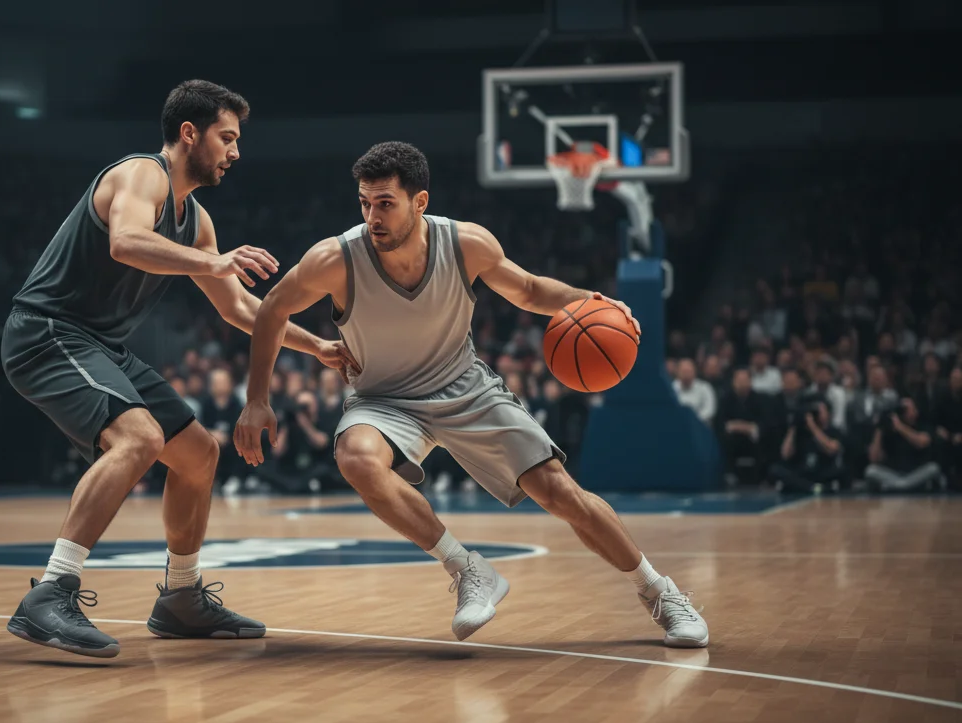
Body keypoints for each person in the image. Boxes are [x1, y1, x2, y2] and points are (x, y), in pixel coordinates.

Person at [234, 141, 707, 648]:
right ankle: (468, 569)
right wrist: (257, 398)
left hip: (465, 388)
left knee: (559, 492)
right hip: (383, 399)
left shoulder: (465, 244)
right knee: (356, 457)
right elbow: (271, 309)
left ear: (420, 202)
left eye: (386, 203)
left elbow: (526, 289)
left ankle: (660, 592)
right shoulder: (336, 258)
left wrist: (589, 300)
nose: (373, 216)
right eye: (365, 203)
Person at [0, 80, 356, 657]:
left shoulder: (197, 219)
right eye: (227, 137)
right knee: (137, 439)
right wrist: (215, 261)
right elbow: (126, 241)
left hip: (101, 345)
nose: (235, 151)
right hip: (47, 332)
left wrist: (316, 345)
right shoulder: (142, 175)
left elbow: (239, 307)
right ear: (189, 133)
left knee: (198, 454)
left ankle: (181, 597)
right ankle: (51, 591)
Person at [866, 397, 945, 492]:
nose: (903, 411)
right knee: (870, 471)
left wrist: (900, 427)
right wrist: (879, 428)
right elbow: (874, 458)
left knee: (933, 468)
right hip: (893, 474)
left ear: (916, 411)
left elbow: (922, 442)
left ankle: (898, 486)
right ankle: (903, 486)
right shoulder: (889, 429)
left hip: (916, 473)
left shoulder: (923, 426)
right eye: (901, 409)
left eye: (907, 409)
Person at [769, 398, 846, 493]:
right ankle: (813, 487)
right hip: (802, 471)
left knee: (842, 471)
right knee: (776, 470)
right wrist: (793, 427)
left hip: (822, 470)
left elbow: (832, 449)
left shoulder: (834, 431)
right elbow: (785, 454)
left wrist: (813, 427)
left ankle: (801, 486)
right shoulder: (801, 432)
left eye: (820, 411)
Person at [715, 368, 767, 487]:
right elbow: (721, 422)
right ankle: (728, 474)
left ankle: (761, 476)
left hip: (752, 437)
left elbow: (763, 422)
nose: (742, 383)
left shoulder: (759, 399)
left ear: (750, 381)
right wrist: (736, 427)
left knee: (765, 438)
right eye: (739, 380)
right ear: (733, 382)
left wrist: (744, 427)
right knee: (725, 440)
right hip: (732, 437)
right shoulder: (725, 399)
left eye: (745, 380)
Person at [672, 358, 716, 426]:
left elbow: (709, 410)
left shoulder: (705, 387)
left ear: (695, 372)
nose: (686, 375)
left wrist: (693, 420)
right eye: (684, 372)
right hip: (676, 425)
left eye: (689, 371)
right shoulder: (671, 388)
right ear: (677, 373)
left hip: (699, 426)